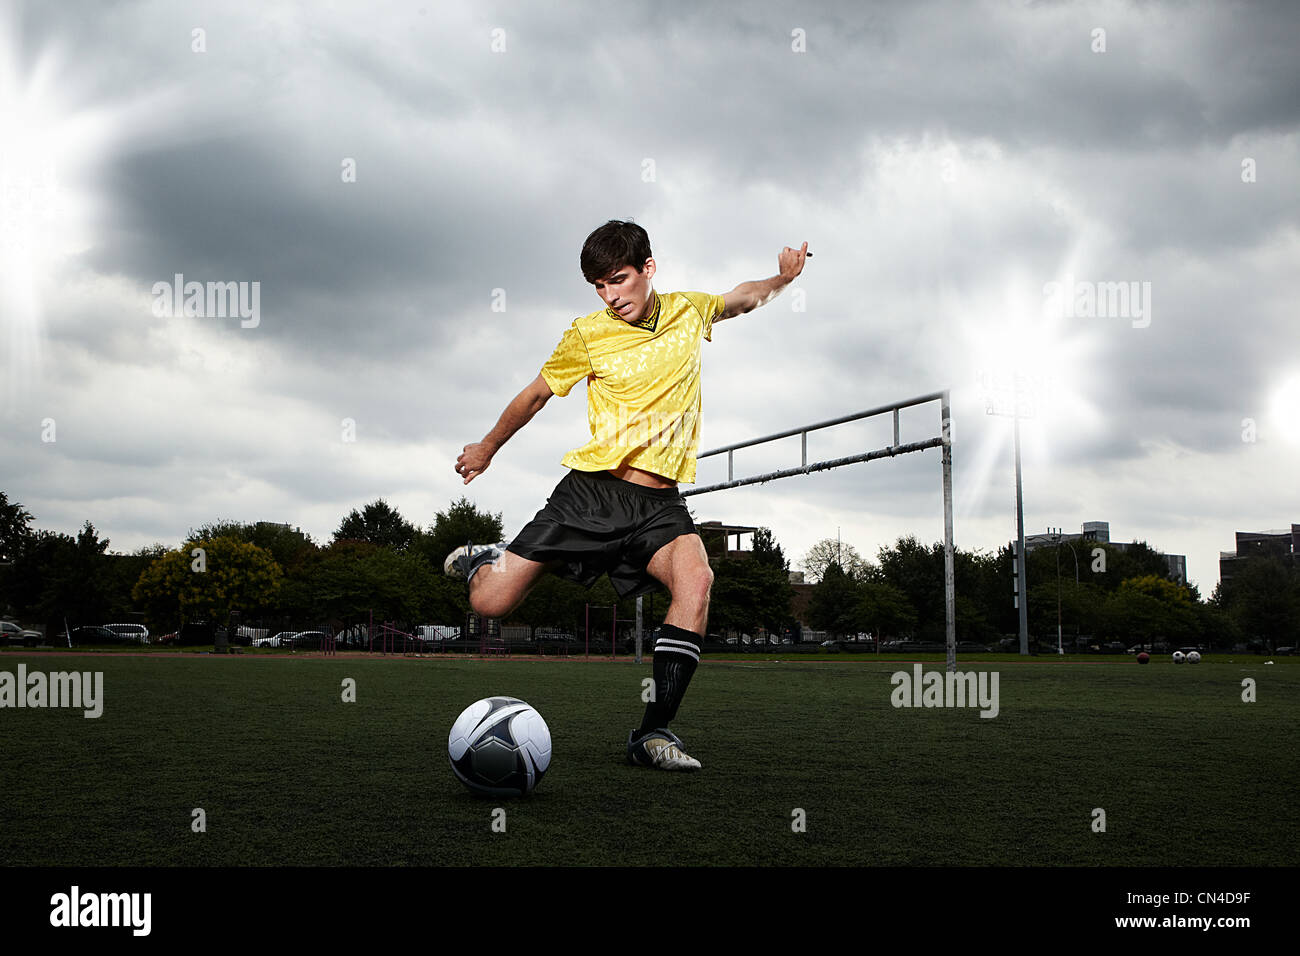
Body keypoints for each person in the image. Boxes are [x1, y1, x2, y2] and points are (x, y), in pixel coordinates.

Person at [446, 219, 809, 771]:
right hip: (592, 494)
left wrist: (782, 279)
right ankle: (480, 561)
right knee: (489, 604)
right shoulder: (588, 333)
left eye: (618, 280)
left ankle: (652, 734)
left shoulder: (689, 310)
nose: (611, 296)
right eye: (599, 287)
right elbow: (536, 394)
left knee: (698, 580)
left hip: (660, 506)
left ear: (648, 269)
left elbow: (741, 300)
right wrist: (488, 446)